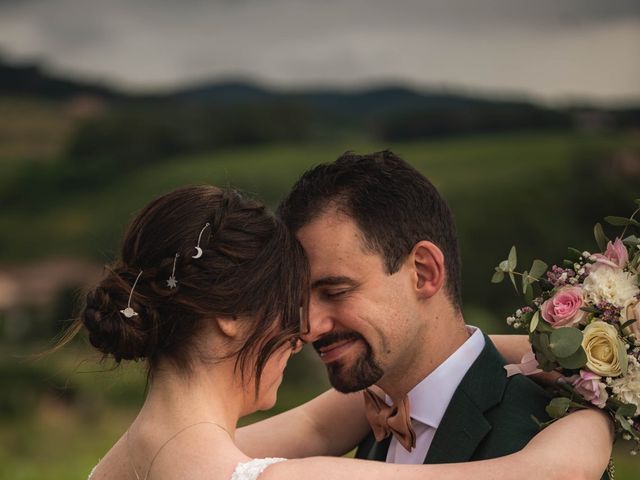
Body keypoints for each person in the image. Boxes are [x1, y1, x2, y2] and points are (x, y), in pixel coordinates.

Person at [74, 184, 612, 480]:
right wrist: (600, 402)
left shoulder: (126, 464)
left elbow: (317, 422)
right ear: (230, 317)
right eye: (288, 303)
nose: (302, 329)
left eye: (332, 291)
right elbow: (554, 473)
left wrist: (561, 351)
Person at [236, 151, 612, 478]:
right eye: (300, 302)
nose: (308, 327)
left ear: (424, 272)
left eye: (335, 292)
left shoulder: (536, 432)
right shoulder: (371, 416)